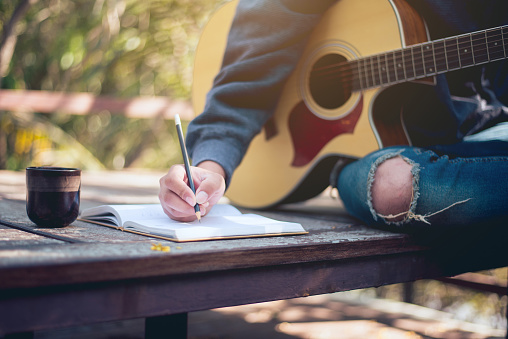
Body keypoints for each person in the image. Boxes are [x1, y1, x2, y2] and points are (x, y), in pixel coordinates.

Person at [159, 0, 508, 239]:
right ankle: (341, 162)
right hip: (383, 155)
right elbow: (255, 57)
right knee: (397, 186)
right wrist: (210, 168)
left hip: (483, 135)